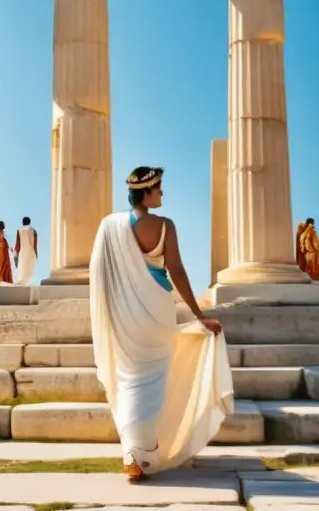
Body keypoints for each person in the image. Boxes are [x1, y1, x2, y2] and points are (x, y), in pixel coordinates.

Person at [89, 165, 234, 482]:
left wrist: (112, 314)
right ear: (147, 192)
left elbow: (100, 277)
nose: (163, 194)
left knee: (129, 380)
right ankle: (139, 454)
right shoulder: (165, 226)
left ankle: (133, 454)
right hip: (156, 310)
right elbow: (177, 272)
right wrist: (199, 315)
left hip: (126, 315)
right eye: (159, 189)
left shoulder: (109, 226)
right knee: (152, 381)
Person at [295, 217, 319, 282]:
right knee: (314, 270)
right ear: (311, 223)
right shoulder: (311, 232)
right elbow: (316, 244)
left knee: (308, 268)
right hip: (313, 253)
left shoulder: (302, 235)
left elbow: (302, 247)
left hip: (306, 255)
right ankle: (316, 280)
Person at [14, 216, 38, 286]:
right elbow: (35, 244)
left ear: (22, 223)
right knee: (29, 269)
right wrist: (36, 253)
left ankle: (21, 282)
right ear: (29, 222)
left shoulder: (19, 230)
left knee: (22, 267)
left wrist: (16, 252)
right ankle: (23, 283)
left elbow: (18, 242)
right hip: (31, 252)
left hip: (23, 252)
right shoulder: (34, 231)